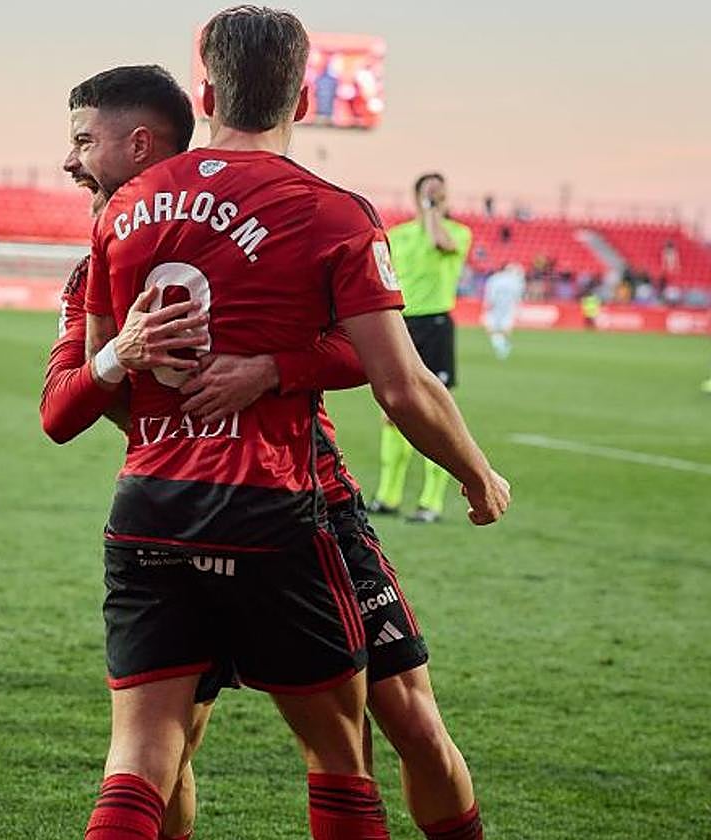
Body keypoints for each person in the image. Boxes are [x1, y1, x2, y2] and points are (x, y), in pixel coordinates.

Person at [79, 8, 509, 838]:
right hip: (277, 503)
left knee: (141, 758)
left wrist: (241, 390)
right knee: (343, 757)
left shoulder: (125, 205)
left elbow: (103, 368)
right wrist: (478, 477)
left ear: (206, 95)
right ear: (304, 100)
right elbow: (401, 386)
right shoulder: (333, 213)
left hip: (152, 506)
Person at [369, 172, 473, 523]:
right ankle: (388, 496)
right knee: (391, 412)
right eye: (429, 193)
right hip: (401, 324)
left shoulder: (457, 232)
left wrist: (431, 211)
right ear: (416, 196)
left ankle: (431, 502)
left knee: (434, 415)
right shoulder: (398, 235)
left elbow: (441, 243)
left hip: (436, 324)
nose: (435, 197)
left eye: (439, 192)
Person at [481, 262, 526, 360]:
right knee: (504, 329)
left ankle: (501, 346)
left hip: (496, 307)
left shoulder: (495, 279)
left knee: (491, 328)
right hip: (507, 308)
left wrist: (488, 303)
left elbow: (490, 293)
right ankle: (503, 345)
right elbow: (519, 296)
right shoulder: (516, 281)